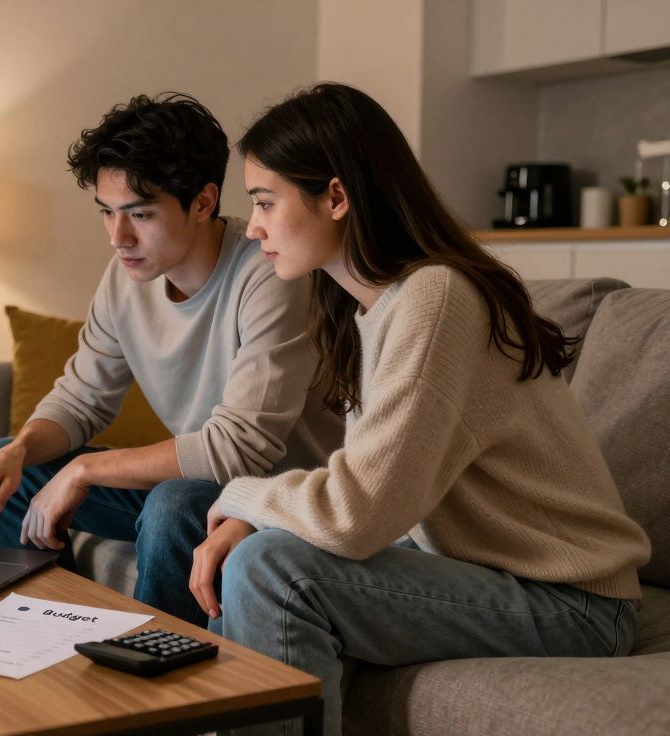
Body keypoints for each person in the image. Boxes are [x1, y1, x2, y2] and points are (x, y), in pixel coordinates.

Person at [184, 83, 651, 736]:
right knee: (252, 553)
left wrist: (242, 499)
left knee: (272, 569)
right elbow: (378, 500)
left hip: (573, 604)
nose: (253, 225)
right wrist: (256, 518)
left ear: (337, 197)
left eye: (265, 201)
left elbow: (357, 513)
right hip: (485, 579)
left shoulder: (437, 300)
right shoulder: (372, 311)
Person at [0, 92, 343, 625]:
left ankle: (152, 677)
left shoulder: (270, 274)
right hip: (198, 487)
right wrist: (18, 452)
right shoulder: (127, 276)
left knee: (173, 504)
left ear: (203, 203)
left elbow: (238, 452)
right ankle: (46, 632)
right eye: (107, 214)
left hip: (274, 501)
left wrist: (87, 469)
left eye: (140, 214)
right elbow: (81, 399)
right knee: (6, 468)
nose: (119, 237)